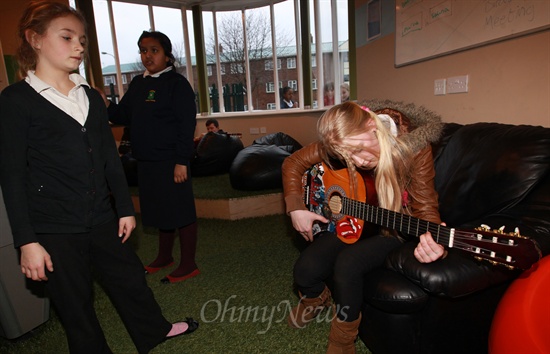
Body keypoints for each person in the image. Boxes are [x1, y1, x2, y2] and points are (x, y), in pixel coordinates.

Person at [0, 2, 197, 353]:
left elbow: (108, 158)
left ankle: (154, 330)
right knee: (75, 301)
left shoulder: (90, 95)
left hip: (101, 217)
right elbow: (12, 175)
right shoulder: (16, 101)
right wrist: (26, 241)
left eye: (83, 39)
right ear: (35, 40)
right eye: (67, 37)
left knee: (130, 279)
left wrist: (124, 208)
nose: (79, 46)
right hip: (53, 226)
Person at [282, 102, 444, 353]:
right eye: (347, 157)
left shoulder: (415, 148)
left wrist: (434, 239)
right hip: (353, 219)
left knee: (348, 264)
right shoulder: (341, 138)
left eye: (358, 150)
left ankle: (343, 339)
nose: (358, 162)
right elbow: (292, 163)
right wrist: (296, 208)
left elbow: (425, 205)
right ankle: (315, 299)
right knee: (305, 271)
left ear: (372, 126)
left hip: (390, 228)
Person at [103, 30, 199, 284]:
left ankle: (189, 264)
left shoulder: (177, 85)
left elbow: (186, 124)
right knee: (159, 211)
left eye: (154, 50)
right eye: (143, 50)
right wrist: (107, 105)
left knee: (181, 211)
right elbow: (124, 115)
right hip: (146, 161)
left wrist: (181, 160)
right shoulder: (138, 84)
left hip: (171, 161)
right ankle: (164, 257)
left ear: (167, 56)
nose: (147, 55)